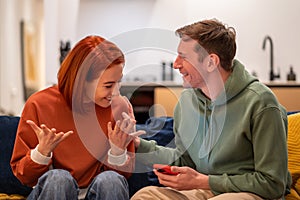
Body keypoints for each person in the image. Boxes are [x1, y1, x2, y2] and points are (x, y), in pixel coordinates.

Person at [131, 19, 292, 200]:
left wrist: (204, 182)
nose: (175, 64)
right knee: (145, 196)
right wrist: (138, 146)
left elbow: (272, 183)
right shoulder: (186, 102)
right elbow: (185, 161)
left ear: (210, 62)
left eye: (183, 57)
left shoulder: (260, 102)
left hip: (250, 193)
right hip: (205, 191)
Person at [10, 35, 145, 200]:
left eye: (119, 82)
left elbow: (123, 177)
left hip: (96, 191)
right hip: (52, 191)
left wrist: (117, 152)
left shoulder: (119, 107)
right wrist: (42, 153)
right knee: (59, 179)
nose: (116, 92)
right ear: (81, 80)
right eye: (109, 85)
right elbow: (24, 176)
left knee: (111, 181)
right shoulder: (39, 104)